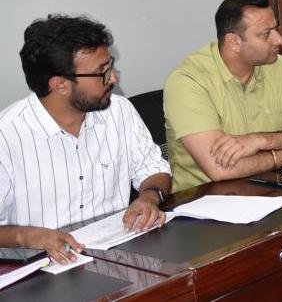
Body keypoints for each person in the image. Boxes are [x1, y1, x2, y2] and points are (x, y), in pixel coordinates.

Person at [0, 15, 171, 264]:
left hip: (119, 253)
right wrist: (26, 236)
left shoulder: (119, 110)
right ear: (60, 85)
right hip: (42, 266)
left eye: (110, 66)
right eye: (102, 72)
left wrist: (148, 197)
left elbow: (154, 169)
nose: (114, 78)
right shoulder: (7, 136)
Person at [164, 0, 282, 191]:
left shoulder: (279, 66)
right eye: (266, 34)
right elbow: (220, 169)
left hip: (275, 186)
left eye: (275, 29)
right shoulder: (187, 81)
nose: (279, 40)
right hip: (207, 198)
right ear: (234, 42)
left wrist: (259, 141)